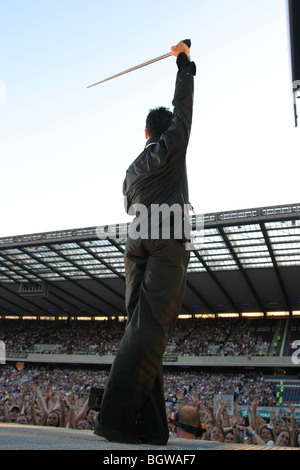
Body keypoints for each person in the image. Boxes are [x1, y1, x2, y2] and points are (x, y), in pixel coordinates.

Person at [94, 39, 196, 445]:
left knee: (140, 330)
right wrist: (184, 64)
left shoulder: (131, 168)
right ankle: (115, 420)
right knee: (151, 329)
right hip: (167, 236)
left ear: (144, 133)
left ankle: (151, 428)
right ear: (164, 129)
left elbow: (126, 204)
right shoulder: (173, 145)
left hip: (134, 244)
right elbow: (184, 108)